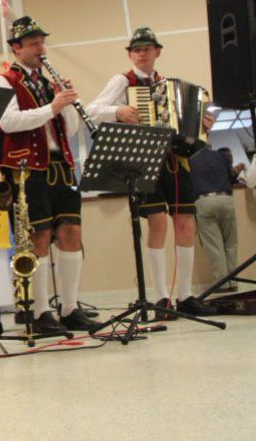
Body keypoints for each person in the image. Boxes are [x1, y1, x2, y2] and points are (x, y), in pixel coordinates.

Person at [86, 27, 216, 317]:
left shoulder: (167, 84)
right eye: (136, 49)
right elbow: (93, 109)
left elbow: (187, 123)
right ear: (130, 54)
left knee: (186, 223)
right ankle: (160, 298)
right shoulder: (123, 80)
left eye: (147, 48)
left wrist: (202, 125)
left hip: (175, 159)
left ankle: (186, 295)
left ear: (157, 51)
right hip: (145, 160)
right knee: (157, 221)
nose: (141, 53)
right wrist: (118, 112)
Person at [0, 16, 99, 334]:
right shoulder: (4, 81)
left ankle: (69, 308)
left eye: (42, 42)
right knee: (37, 237)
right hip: (27, 168)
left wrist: (68, 103)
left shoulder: (50, 83)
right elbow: (9, 123)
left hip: (59, 164)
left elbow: (71, 128)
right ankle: (40, 312)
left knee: (71, 233)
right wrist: (52, 107)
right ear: (16, 48)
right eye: (34, 43)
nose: (41, 48)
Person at [190, 141, 239, 292]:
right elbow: (231, 176)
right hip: (226, 198)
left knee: (214, 245)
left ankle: (223, 283)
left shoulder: (190, 161)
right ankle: (234, 281)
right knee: (231, 242)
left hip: (203, 201)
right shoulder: (221, 156)